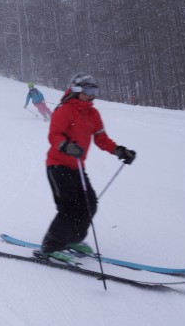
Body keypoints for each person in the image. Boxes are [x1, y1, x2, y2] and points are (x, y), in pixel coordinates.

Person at [34, 73, 137, 264]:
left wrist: (120, 151)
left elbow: (101, 139)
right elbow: (54, 136)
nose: (92, 95)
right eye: (89, 90)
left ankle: (73, 239)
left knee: (89, 203)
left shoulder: (92, 113)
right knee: (69, 207)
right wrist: (66, 146)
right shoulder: (64, 110)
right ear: (77, 90)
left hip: (77, 167)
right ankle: (51, 246)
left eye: (95, 90)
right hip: (57, 165)